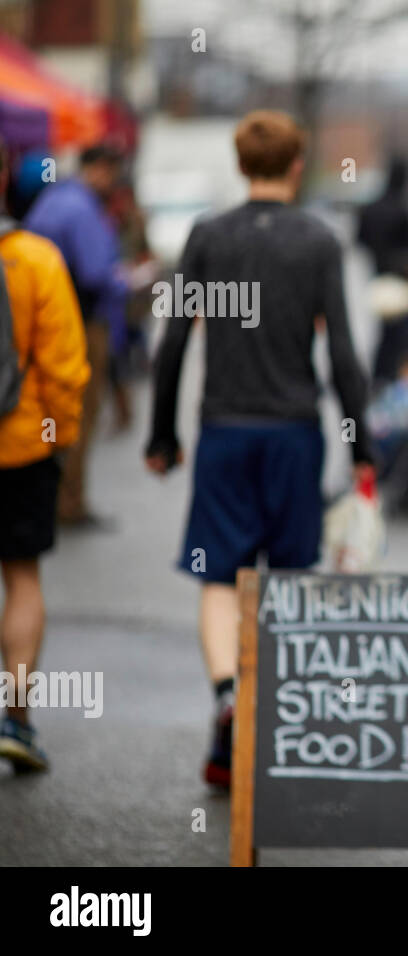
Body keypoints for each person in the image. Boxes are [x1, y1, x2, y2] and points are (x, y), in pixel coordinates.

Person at [144, 110, 375, 788]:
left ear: (241, 164)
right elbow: (340, 350)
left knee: (221, 577)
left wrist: (163, 434)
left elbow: (175, 342)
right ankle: (278, 725)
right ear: (297, 165)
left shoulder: (208, 236)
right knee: (290, 576)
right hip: (294, 433)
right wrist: (360, 440)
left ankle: (226, 698)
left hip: (224, 430)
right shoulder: (319, 240)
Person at [0, 143, 91, 771]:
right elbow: (64, 369)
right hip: (21, 445)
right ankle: (16, 717)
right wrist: (61, 437)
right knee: (22, 579)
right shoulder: (35, 259)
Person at [24, 143, 129, 528]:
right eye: (113, 174)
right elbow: (97, 273)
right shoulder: (82, 208)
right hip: (80, 322)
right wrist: (126, 280)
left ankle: (48, 496)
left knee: (45, 409)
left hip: (40, 321)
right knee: (79, 412)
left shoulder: (52, 200)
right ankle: (69, 503)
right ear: (100, 168)